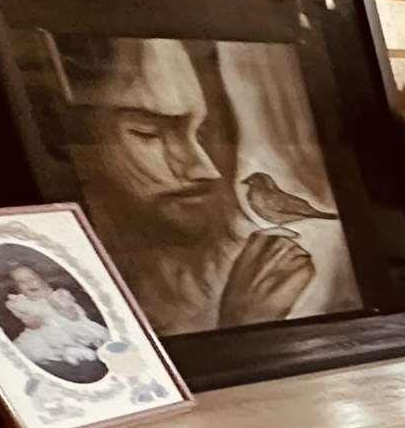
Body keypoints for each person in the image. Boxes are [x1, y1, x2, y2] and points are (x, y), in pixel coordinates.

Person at [45, 35, 318, 334]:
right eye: (149, 133)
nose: (205, 169)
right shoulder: (61, 291)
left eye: (204, 134)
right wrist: (248, 322)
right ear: (75, 143)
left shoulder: (266, 265)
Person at [0, 258, 111, 381]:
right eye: (21, 282)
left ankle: (80, 349)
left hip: (71, 324)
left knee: (90, 335)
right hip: (44, 332)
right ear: (17, 288)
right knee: (30, 348)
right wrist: (30, 321)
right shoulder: (19, 302)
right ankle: (68, 353)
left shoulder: (59, 294)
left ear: (42, 280)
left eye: (32, 278)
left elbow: (73, 316)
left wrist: (54, 301)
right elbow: (34, 326)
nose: (28, 283)